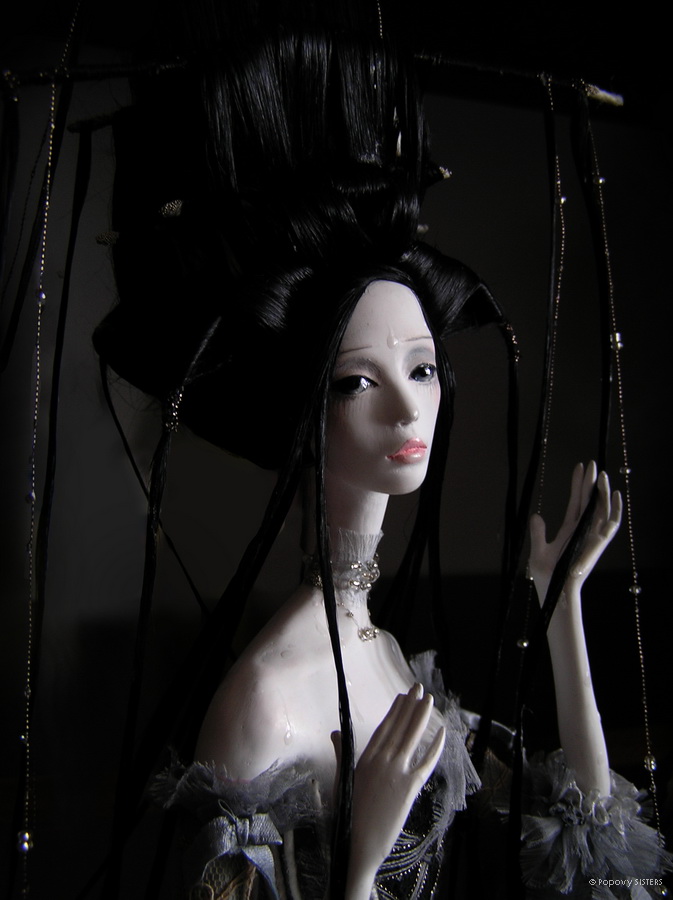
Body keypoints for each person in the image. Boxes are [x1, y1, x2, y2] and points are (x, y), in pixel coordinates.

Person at [93, 3, 670, 896]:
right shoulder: (265, 703)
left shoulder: (389, 655)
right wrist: (359, 863)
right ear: (301, 405)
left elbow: (589, 850)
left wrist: (561, 609)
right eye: (356, 381)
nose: (408, 407)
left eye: (424, 368)